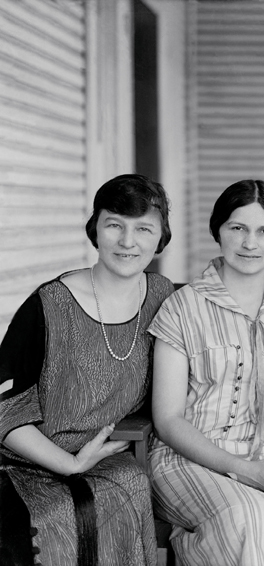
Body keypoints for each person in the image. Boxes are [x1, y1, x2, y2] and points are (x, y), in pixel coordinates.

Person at [148, 179, 264, 566]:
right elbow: (167, 420)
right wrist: (241, 470)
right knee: (248, 525)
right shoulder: (182, 307)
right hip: (190, 455)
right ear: (217, 229)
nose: (251, 243)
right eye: (238, 228)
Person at [0, 174, 173, 566]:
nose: (128, 242)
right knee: (38, 528)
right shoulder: (49, 304)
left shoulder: (164, 297)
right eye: (115, 225)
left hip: (106, 460)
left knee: (126, 491)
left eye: (143, 228)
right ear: (96, 228)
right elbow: (4, 408)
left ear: (161, 238)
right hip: (23, 462)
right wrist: (69, 464)